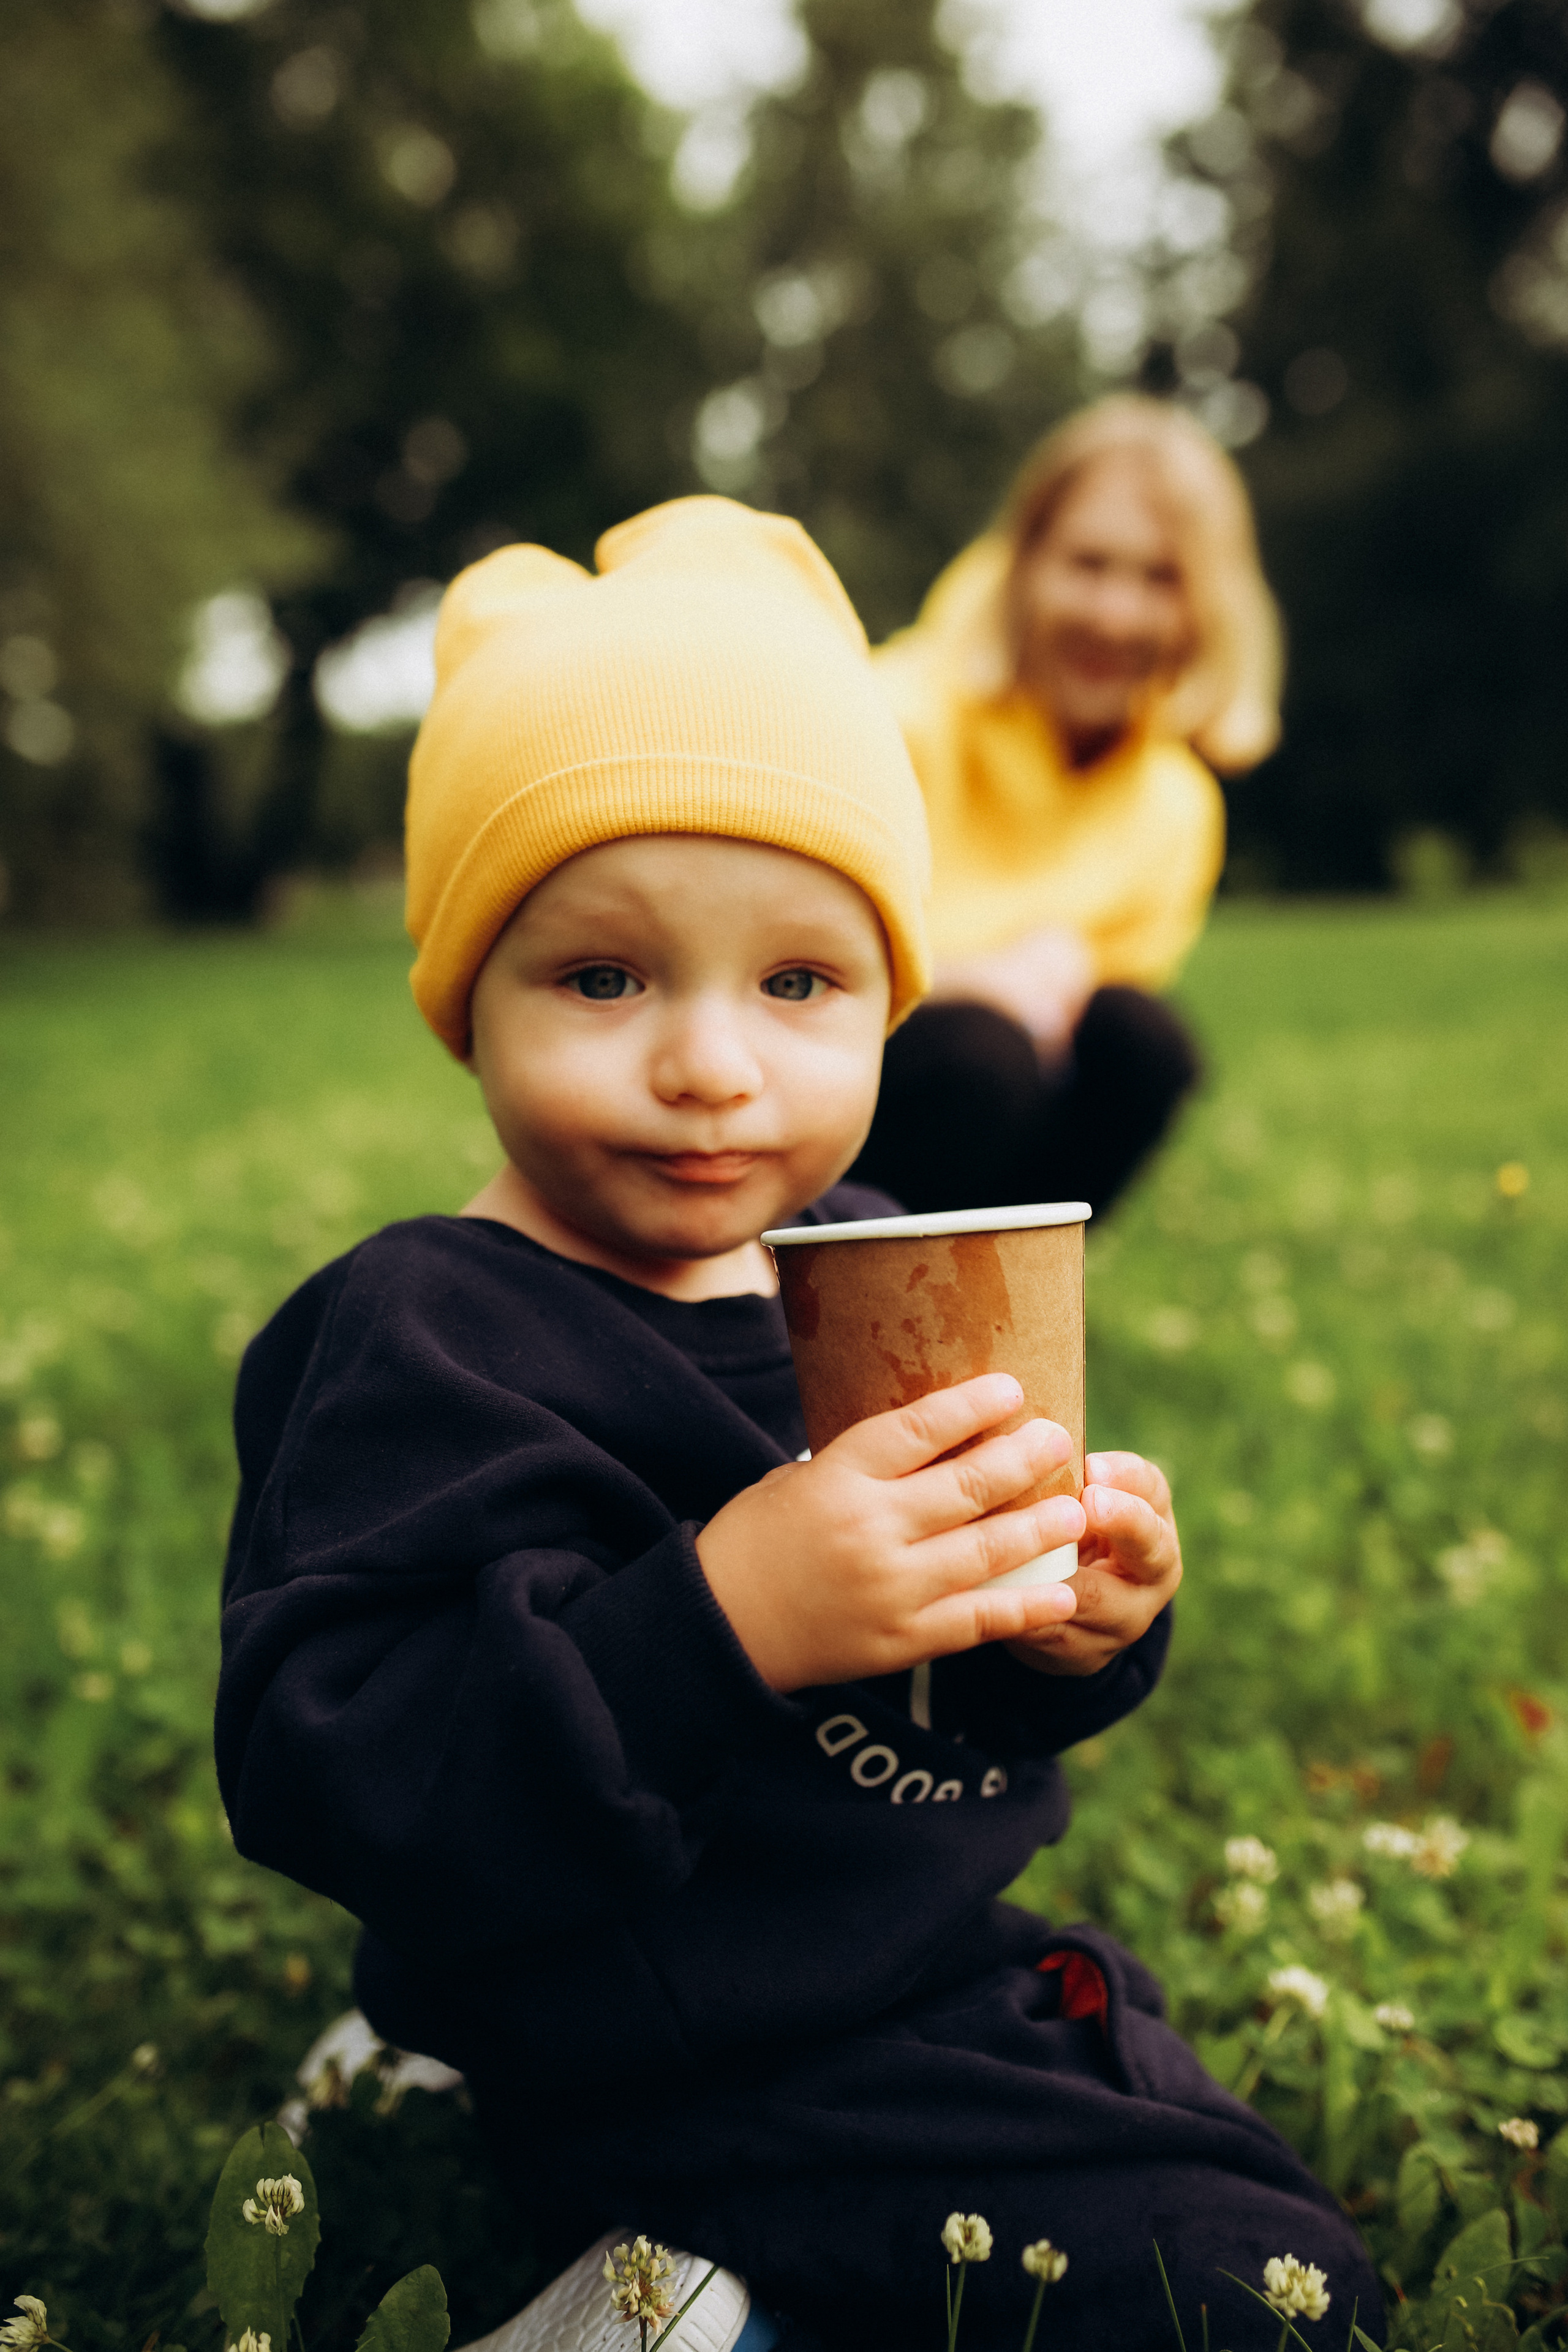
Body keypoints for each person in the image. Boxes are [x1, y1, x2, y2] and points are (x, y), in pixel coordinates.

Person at [215, 497, 1378, 2350]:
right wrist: (727, 1617)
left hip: (906, 1960)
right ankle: (663, 2296)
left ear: (892, 1006)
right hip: (667, 2033)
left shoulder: (865, 1273)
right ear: (467, 1001)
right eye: (604, 976)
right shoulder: (423, 1335)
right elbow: (336, 1767)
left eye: (800, 983)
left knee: (1274, 2239)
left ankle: (688, 2268)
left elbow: (946, 1690)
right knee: (1240, 2311)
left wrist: (1076, 1623)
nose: (710, 1060)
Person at [854, 396, 1283, 1219]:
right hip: (864, 1082)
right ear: (1024, 564)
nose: (1114, 614)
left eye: (1160, 578)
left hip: (1010, 1111)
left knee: (1143, 1042)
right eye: (1088, 565)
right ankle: (831, 1300)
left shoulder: (1176, 807)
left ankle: (1014, 1304)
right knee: (983, 1053)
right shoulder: (893, 721)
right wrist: (975, 980)